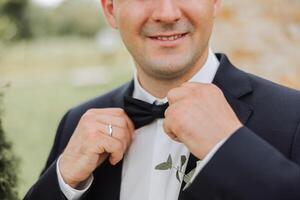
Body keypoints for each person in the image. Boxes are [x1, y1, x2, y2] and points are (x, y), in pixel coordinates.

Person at [25, 0, 300, 199]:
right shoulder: (75, 122)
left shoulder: (293, 117)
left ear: (214, 2)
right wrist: (63, 180)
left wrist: (229, 148)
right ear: (110, 9)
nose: (167, 13)